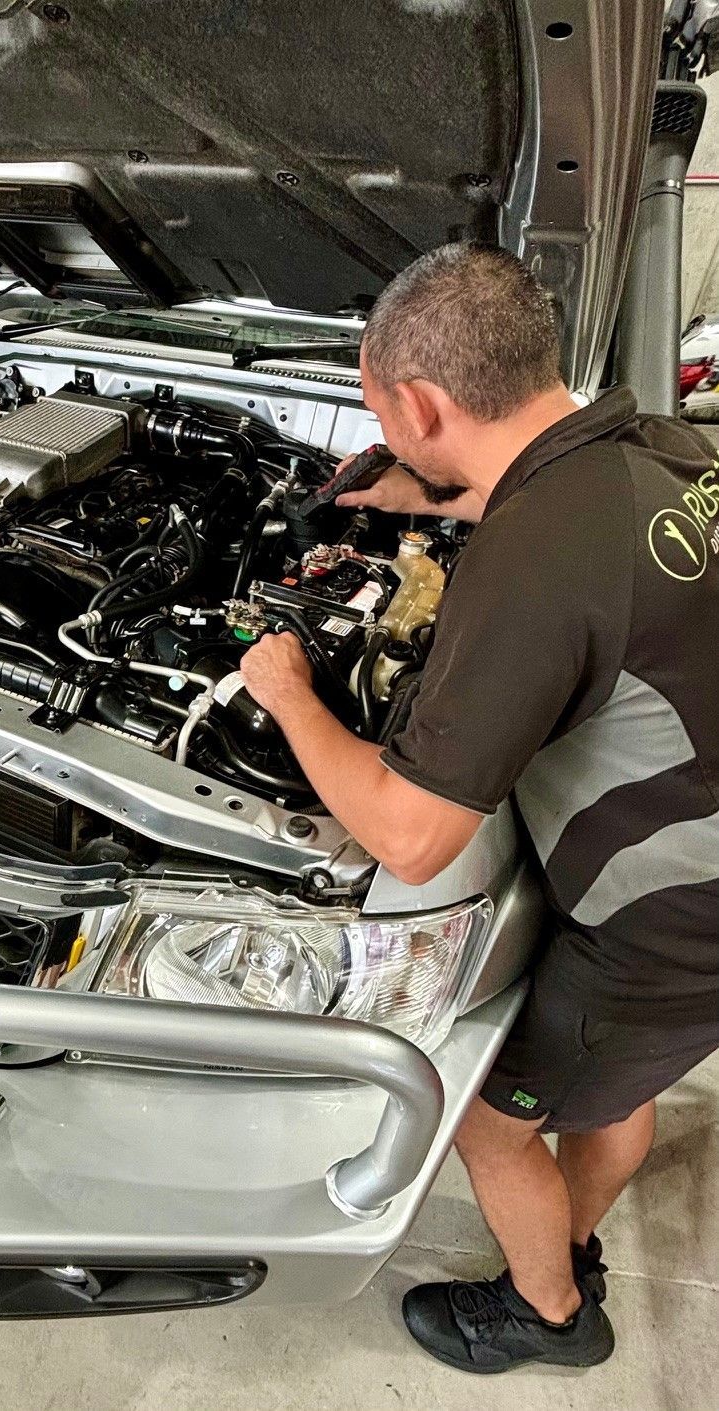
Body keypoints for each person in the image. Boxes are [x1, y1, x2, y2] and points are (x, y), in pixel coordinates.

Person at [239, 243, 719, 1376]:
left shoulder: (535, 556)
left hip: (676, 917)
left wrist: (289, 694)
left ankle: (548, 1311)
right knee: (619, 1077)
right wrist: (421, 494)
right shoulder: (656, 442)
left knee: (489, 1122)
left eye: (385, 418)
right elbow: (581, 553)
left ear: (416, 401)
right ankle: (574, 1228)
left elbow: (407, 831)